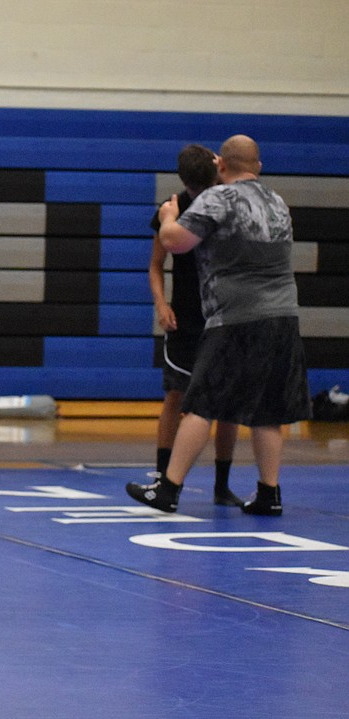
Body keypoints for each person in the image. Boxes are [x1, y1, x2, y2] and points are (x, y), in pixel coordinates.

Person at [127, 135, 311, 516]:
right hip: (283, 315)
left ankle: (169, 488)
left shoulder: (218, 198)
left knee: (201, 403)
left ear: (221, 167)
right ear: (258, 168)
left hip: (236, 317)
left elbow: (175, 242)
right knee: (267, 409)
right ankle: (268, 492)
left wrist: (167, 218)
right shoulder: (276, 201)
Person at [147, 145, 241, 506]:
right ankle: (162, 474)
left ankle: (222, 482)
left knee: (226, 403)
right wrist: (161, 303)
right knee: (176, 395)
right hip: (185, 315)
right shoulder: (172, 210)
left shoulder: (227, 205)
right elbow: (156, 264)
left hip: (223, 313)